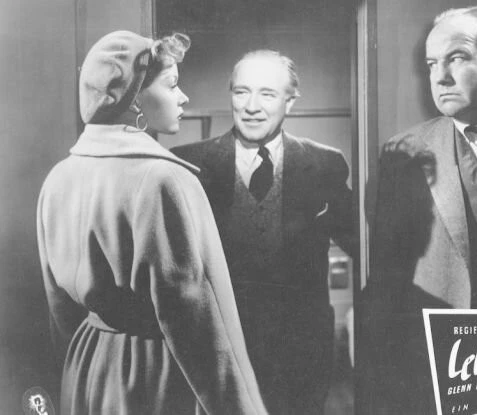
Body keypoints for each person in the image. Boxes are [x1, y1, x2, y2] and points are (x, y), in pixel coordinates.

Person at [36, 30, 268, 415]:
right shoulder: (164, 179)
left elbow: (59, 309)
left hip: (86, 365)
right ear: (135, 100)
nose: (183, 96)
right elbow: (191, 317)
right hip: (154, 373)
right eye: (172, 84)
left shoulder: (59, 177)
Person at [171, 50, 353, 414]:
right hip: (219, 350)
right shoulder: (188, 164)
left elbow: (359, 244)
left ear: (290, 101)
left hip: (299, 354)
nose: (251, 106)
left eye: (267, 94)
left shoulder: (324, 164)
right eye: (242, 92)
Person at [361, 6, 477, 414]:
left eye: (457, 57)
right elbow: (388, 280)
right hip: (449, 361)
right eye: (431, 64)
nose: (440, 77)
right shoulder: (405, 153)